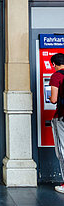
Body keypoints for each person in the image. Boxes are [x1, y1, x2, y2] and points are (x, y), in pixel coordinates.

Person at [49, 53, 64, 193]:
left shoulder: (56, 76)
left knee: (62, 149)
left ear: (54, 64)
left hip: (62, 117)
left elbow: (53, 99)